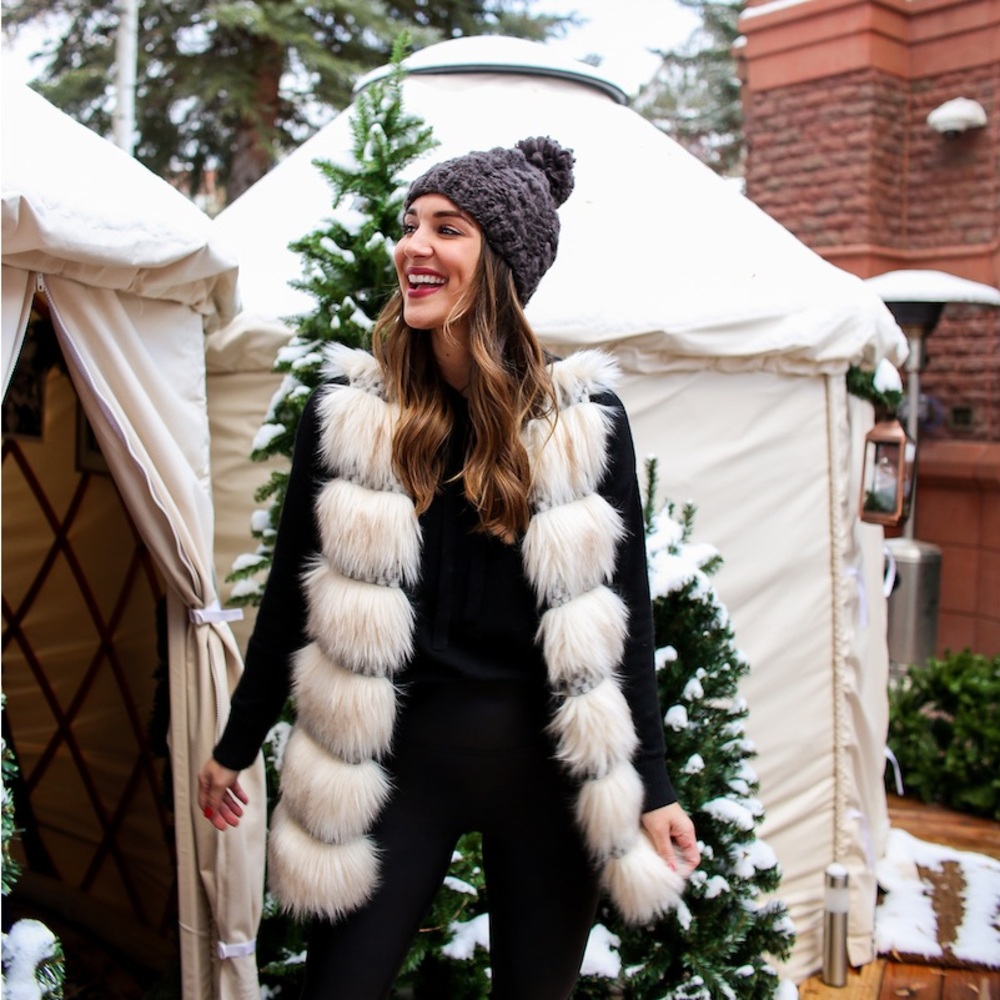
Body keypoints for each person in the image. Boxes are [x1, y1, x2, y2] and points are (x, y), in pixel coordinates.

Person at [198, 136, 700, 999]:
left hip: (549, 777)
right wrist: (236, 743)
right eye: (411, 223)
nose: (414, 246)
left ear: (501, 265)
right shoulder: (353, 419)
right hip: (399, 767)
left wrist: (653, 786)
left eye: (449, 228)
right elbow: (293, 596)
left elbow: (627, 619)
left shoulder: (584, 426)